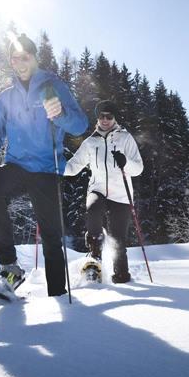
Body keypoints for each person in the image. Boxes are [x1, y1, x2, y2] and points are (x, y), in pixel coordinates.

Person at [0, 33, 88, 296]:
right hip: (16, 165)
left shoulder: (54, 87)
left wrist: (61, 115)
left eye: (25, 57)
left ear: (34, 58)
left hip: (46, 168)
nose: (20, 63)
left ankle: (58, 292)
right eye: (14, 58)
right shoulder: (5, 98)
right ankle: (10, 269)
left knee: (52, 236)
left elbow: (80, 124)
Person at [64, 99, 144, 283]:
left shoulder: (125, 138)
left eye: (109, 116)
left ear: (114, 118)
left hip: (121, 194)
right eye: (102, 116)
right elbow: (74, 166)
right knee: (92, 210)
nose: (105, 120)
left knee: (118, 239)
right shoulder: (91, 142)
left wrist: (126, 162)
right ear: (97, 118)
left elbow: (138, 168)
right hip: (98, 189)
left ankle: (121, 275)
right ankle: (95, 257)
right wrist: (55, 166)